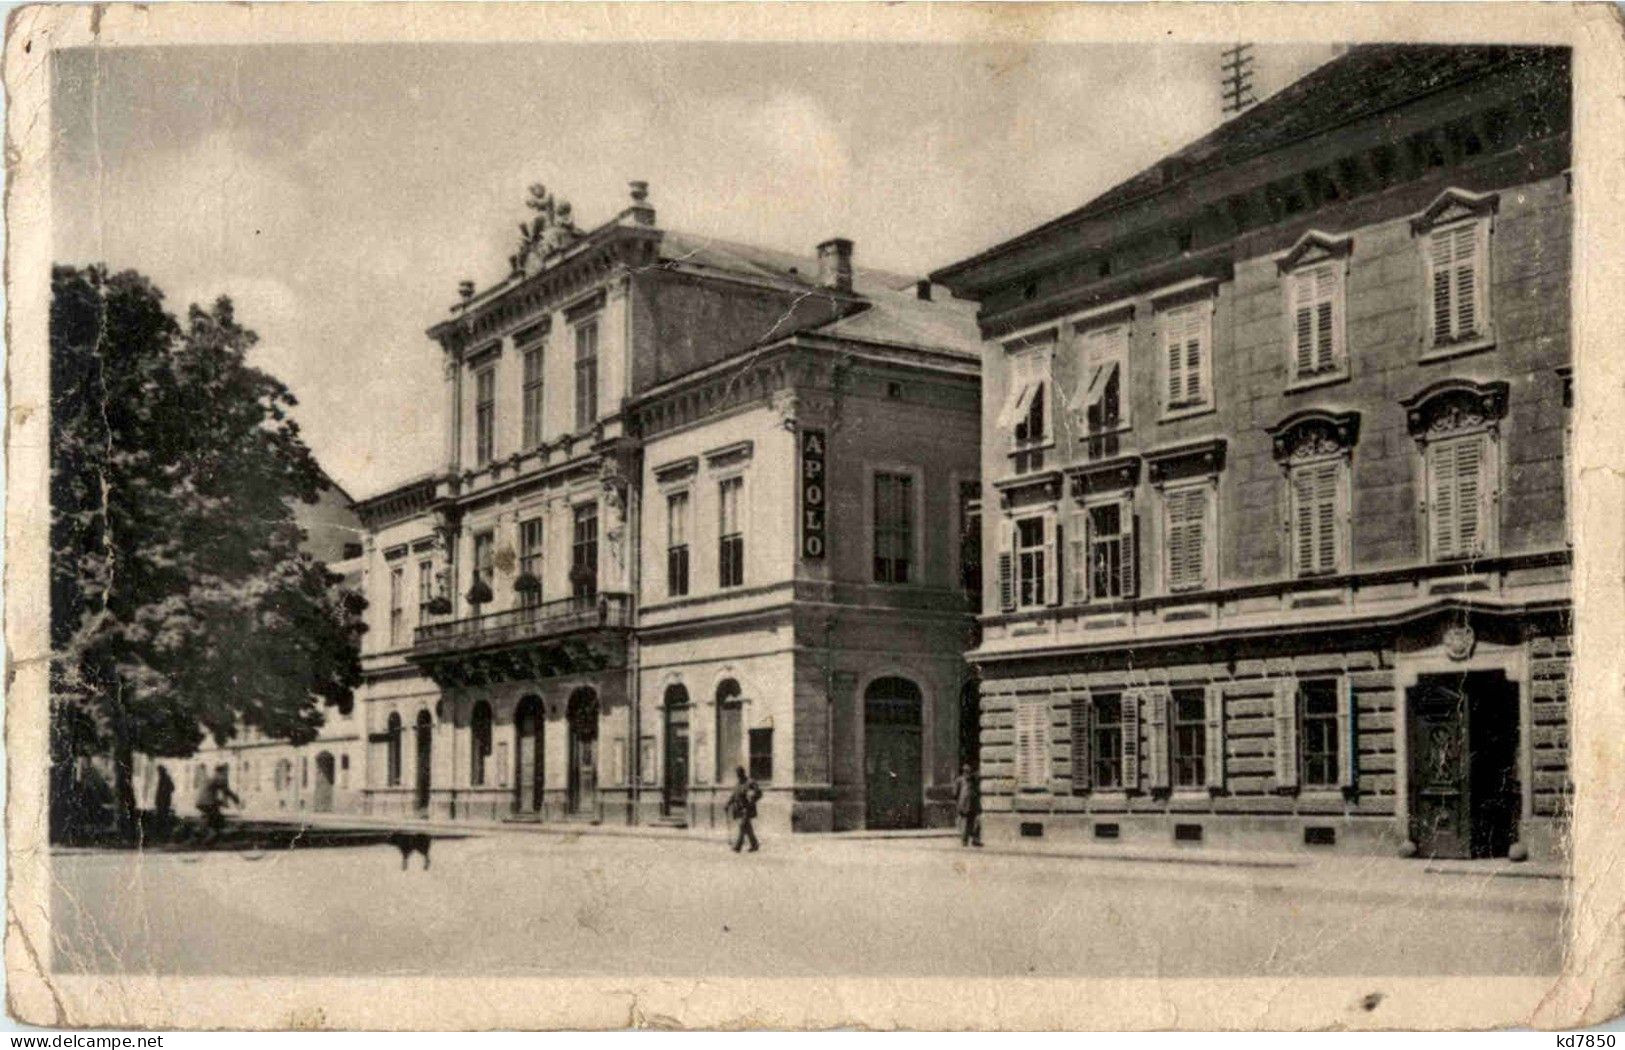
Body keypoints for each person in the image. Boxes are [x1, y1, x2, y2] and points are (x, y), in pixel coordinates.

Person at [195, 766, 240, 844]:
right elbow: (226, 791)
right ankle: (209, 837)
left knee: (214, 818)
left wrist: (221, 803)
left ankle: (205, 834)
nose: (226, 774)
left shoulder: (211, 779)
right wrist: (236, 799)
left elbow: (210, 793)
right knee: (217, 820)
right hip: (207, 803)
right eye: (225, 772)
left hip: (202, 802)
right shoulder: (219, 778)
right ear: (221, 772)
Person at [724, 766, 762, 853]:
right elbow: (734, 796)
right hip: (739, 809)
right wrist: (727, 804)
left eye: (739, 773)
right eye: (737, 774)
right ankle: (754, 844)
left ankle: (738, 846)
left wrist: (752, 799)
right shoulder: (738, 784)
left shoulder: (750, 782)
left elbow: (759, 793)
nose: (738, 776)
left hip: (748, 808)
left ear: (743, 773)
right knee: (747, 827)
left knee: (742, 825)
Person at [954, 762, 983, 848]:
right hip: (964, 805)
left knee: (976, 823)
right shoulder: (959, 780)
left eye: (969, 771)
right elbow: (955, 793)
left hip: (974, 804)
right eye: (966, 771)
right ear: (963, 772)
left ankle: (975, 840)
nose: (968, 773)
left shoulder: (974, 780)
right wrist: (959, 804)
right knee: (965, 823)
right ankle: (964, 840)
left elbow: (977, 791)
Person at [153, 766, 175, 839]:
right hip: (163, 801)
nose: (159, 773)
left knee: (163, 817)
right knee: (162, 817)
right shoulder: (163, 778)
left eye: (159, 771)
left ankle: (163, 834)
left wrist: (165, 793)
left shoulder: (165, 778)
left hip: (164, 801)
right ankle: (162, 834)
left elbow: (171, 788)